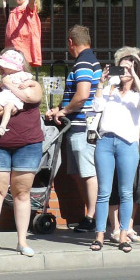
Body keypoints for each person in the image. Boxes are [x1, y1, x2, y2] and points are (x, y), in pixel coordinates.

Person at [91, 47, 140, 253]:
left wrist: (133, 74)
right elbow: (96, 106)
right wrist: (102, 83)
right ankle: (99, 235)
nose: (124, 71)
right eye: (122, 67)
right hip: (106, 142)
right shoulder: (110, 90)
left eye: (129, 66)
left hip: (127, 143)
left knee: (126, 192)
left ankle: (124, 235)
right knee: (104, 192)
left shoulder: (136, 95)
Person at [0, 50, 42, 261]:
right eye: (0, 66)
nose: (1, 69)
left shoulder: (31, 83)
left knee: (22, 193)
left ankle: (22, 241)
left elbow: (31, 97)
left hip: (28, 145)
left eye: (5, 65)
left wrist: (9, 85)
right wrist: (5, 106)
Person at [46, 25, 101, 233]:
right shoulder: (86, 60)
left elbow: (82, 95)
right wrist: (59, 109)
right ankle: (91, 215)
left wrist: (64, 111)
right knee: (79, 173)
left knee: (87, 173)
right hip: (76, 125)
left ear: (71, 42)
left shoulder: (84, 62)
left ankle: (92, 216)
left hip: (81, 126)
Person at [0, 50, 33, 136]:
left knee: (8, 108)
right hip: (3, 96)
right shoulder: (5, 77)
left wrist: (26, 84)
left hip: (14, 98)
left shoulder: (22, 75)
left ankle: (2, 126)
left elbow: (30, 82)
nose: (1, 68)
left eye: (4, 67)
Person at [2, 0, 42, 68]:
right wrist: (4, 2)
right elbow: (7, 18)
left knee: (21, 70)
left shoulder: (28, 9)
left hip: (23, 46)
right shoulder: (15, 10)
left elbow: (31, 3)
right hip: (13, 45)